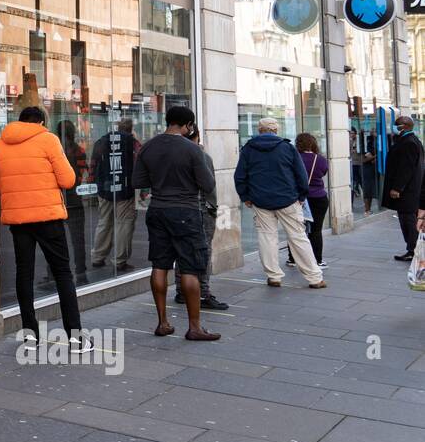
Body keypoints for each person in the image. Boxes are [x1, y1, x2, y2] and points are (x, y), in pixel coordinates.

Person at [0, 106, 92, 353]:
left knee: (23, 275)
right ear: (42, 121)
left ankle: (30, 337)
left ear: (20, 121)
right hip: (48, 218)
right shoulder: (48, 139)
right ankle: (76, 337)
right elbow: (68, 180)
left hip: (18, 220)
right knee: (62, 274)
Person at [134, 106, 220, 340]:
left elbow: (138, 181)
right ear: (188, 125)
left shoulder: (149, 146)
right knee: (191, 267)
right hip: (186, 211)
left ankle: (162, 322)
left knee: (159, 265)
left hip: (157, 210)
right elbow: (208, 185)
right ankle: (194, 327)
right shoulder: (192, 149)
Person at [234, 117, 326, 289]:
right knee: (298, 237)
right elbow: (301, 175)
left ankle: (273, 276)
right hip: (288, 199)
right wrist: (301, 196)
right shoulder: (287, 147)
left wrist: (245, 196)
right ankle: (314, 278)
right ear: (276, 130)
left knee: (267, 237)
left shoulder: (248, 149)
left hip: (260, 200)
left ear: (259, 130)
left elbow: (240, 176)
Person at [174, 122, 228, 311]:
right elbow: (209, 187)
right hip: (200, 210)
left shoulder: (172, 155)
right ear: (196, 136)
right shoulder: (201, 156)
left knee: (183, 251)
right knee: (202, 252)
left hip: (177, 209)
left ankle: (182, 291)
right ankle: (203, 293)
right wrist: (213, 208)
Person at [90, 118, 138, 272]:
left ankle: (97, 257)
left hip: (104, 189)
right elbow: (139, 163)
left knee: (104, 222)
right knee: (123, 224)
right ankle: (119, 260)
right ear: (130, 129)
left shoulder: (102, 141)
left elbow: (93, 164)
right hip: (125, 190)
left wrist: (94, 185)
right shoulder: (132, 142)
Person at [383, 114, 424, 262]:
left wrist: (397, 188)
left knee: (408, 220)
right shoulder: (411, 141)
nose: (393, 127)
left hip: (407, 191)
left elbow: (406, 169)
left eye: (396, 125)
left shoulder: (409, 143)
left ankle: (412, 250)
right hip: (410, 190)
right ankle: (412, 249)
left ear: (403, 127)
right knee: (407, 219)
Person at [55, 121, 90, 285]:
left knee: (55, 241)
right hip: (75, 200)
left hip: (57, 200)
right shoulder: (79, 150)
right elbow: (82, 173)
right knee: (78, 241)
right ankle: (81, 272)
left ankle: (53, 274)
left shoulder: (55, 150)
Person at [287, 133, 330, 268]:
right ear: (314, 144)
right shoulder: (321, 159)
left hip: (298, 198)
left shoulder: (294, 158)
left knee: (296, 229)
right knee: (316, 230)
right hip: (319, 198)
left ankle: (293, 258)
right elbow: (323, 173)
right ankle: (318, 260)